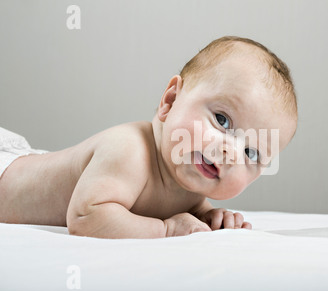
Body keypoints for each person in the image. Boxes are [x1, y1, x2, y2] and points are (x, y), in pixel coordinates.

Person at [0, 36, 298, 239]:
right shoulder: (129, 151)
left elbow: (182, 209)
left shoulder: (189, 181)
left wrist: (210, 218)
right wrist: (166, 230)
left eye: (251, 153)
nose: (230, 152)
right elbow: (85, 217)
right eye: (222, 120)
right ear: (170, 100)